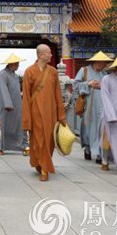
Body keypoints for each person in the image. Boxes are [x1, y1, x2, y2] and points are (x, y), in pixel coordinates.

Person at [22, 44, 67, 182]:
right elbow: (26, 98)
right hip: (36, 112)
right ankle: (44, 169)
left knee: (49, 141)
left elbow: (58, 95)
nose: (51, 55)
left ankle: (42, 163)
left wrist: (61, 116)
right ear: (41, 55)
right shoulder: (29, 71)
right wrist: (27, 119)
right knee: (38, 140)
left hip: (51, 113)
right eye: (49, 53)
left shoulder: (53, 71)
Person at [73, 51, 111, 162]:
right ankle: (88, 149)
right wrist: (88, 84)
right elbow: (75, 85)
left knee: (101, 129)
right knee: (88, 128)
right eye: (102, 62)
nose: (103, 65)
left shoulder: (104, 74)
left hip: (102, 105)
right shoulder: (84, 70)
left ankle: (99, 153)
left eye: (105, 63)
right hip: (89, 105)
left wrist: (101, 86)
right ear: (96, 62)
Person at [0, 53, 27, 156]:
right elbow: (3, 89)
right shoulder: (3, 74)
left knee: (16, 126)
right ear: (11, 64)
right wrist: (8, 103)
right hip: (5, 106)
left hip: (16, 105)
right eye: (16, 63)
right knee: (2, 126)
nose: (18, 65)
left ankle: (19, 146)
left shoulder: (14, 75)